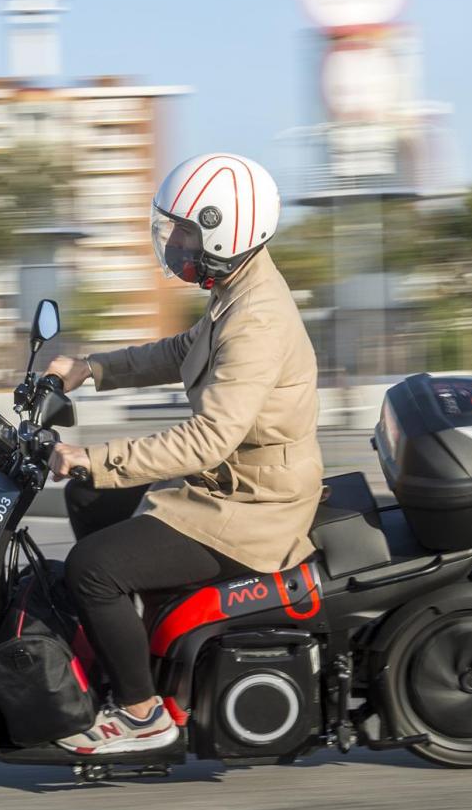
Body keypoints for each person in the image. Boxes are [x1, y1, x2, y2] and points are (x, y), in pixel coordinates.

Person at [45, 153, 323, 755]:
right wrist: (91, 368)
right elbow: (180, 351)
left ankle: (144, 716)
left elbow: (208, 440)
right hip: (233, 483)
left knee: (92, 567)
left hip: (252, 506)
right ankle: (135, 636)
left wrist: (89, 454)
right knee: (90, 495)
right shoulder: (238, 287)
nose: (175, 244)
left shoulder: (255, 318)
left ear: (227, 231)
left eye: (188, 232)